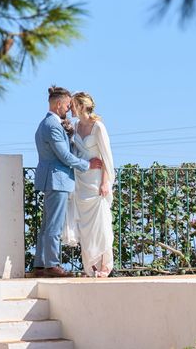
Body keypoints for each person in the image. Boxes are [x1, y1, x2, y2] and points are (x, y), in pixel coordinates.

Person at [32, 86, 103, 278]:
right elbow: (63, 155)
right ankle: (52, 265)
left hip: (52, 179)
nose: (68, 109)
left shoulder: (45, 124)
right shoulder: (52, 126)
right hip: (57, 180)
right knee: (53, 225)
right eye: (66, 105)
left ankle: (39, 265)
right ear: (58, 104)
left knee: (47, 225)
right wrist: (87, 165)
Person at [67, 91, 116, 277]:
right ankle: (91, 267)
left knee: (101, 225)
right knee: (85, 228)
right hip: (81, 181)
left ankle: (105, 266)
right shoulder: (75, 126)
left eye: (72, 105)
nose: (70, 108)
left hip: (96, 182)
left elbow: (107, 158)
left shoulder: (98, 127)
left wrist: (105, 183)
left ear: (80, 106)